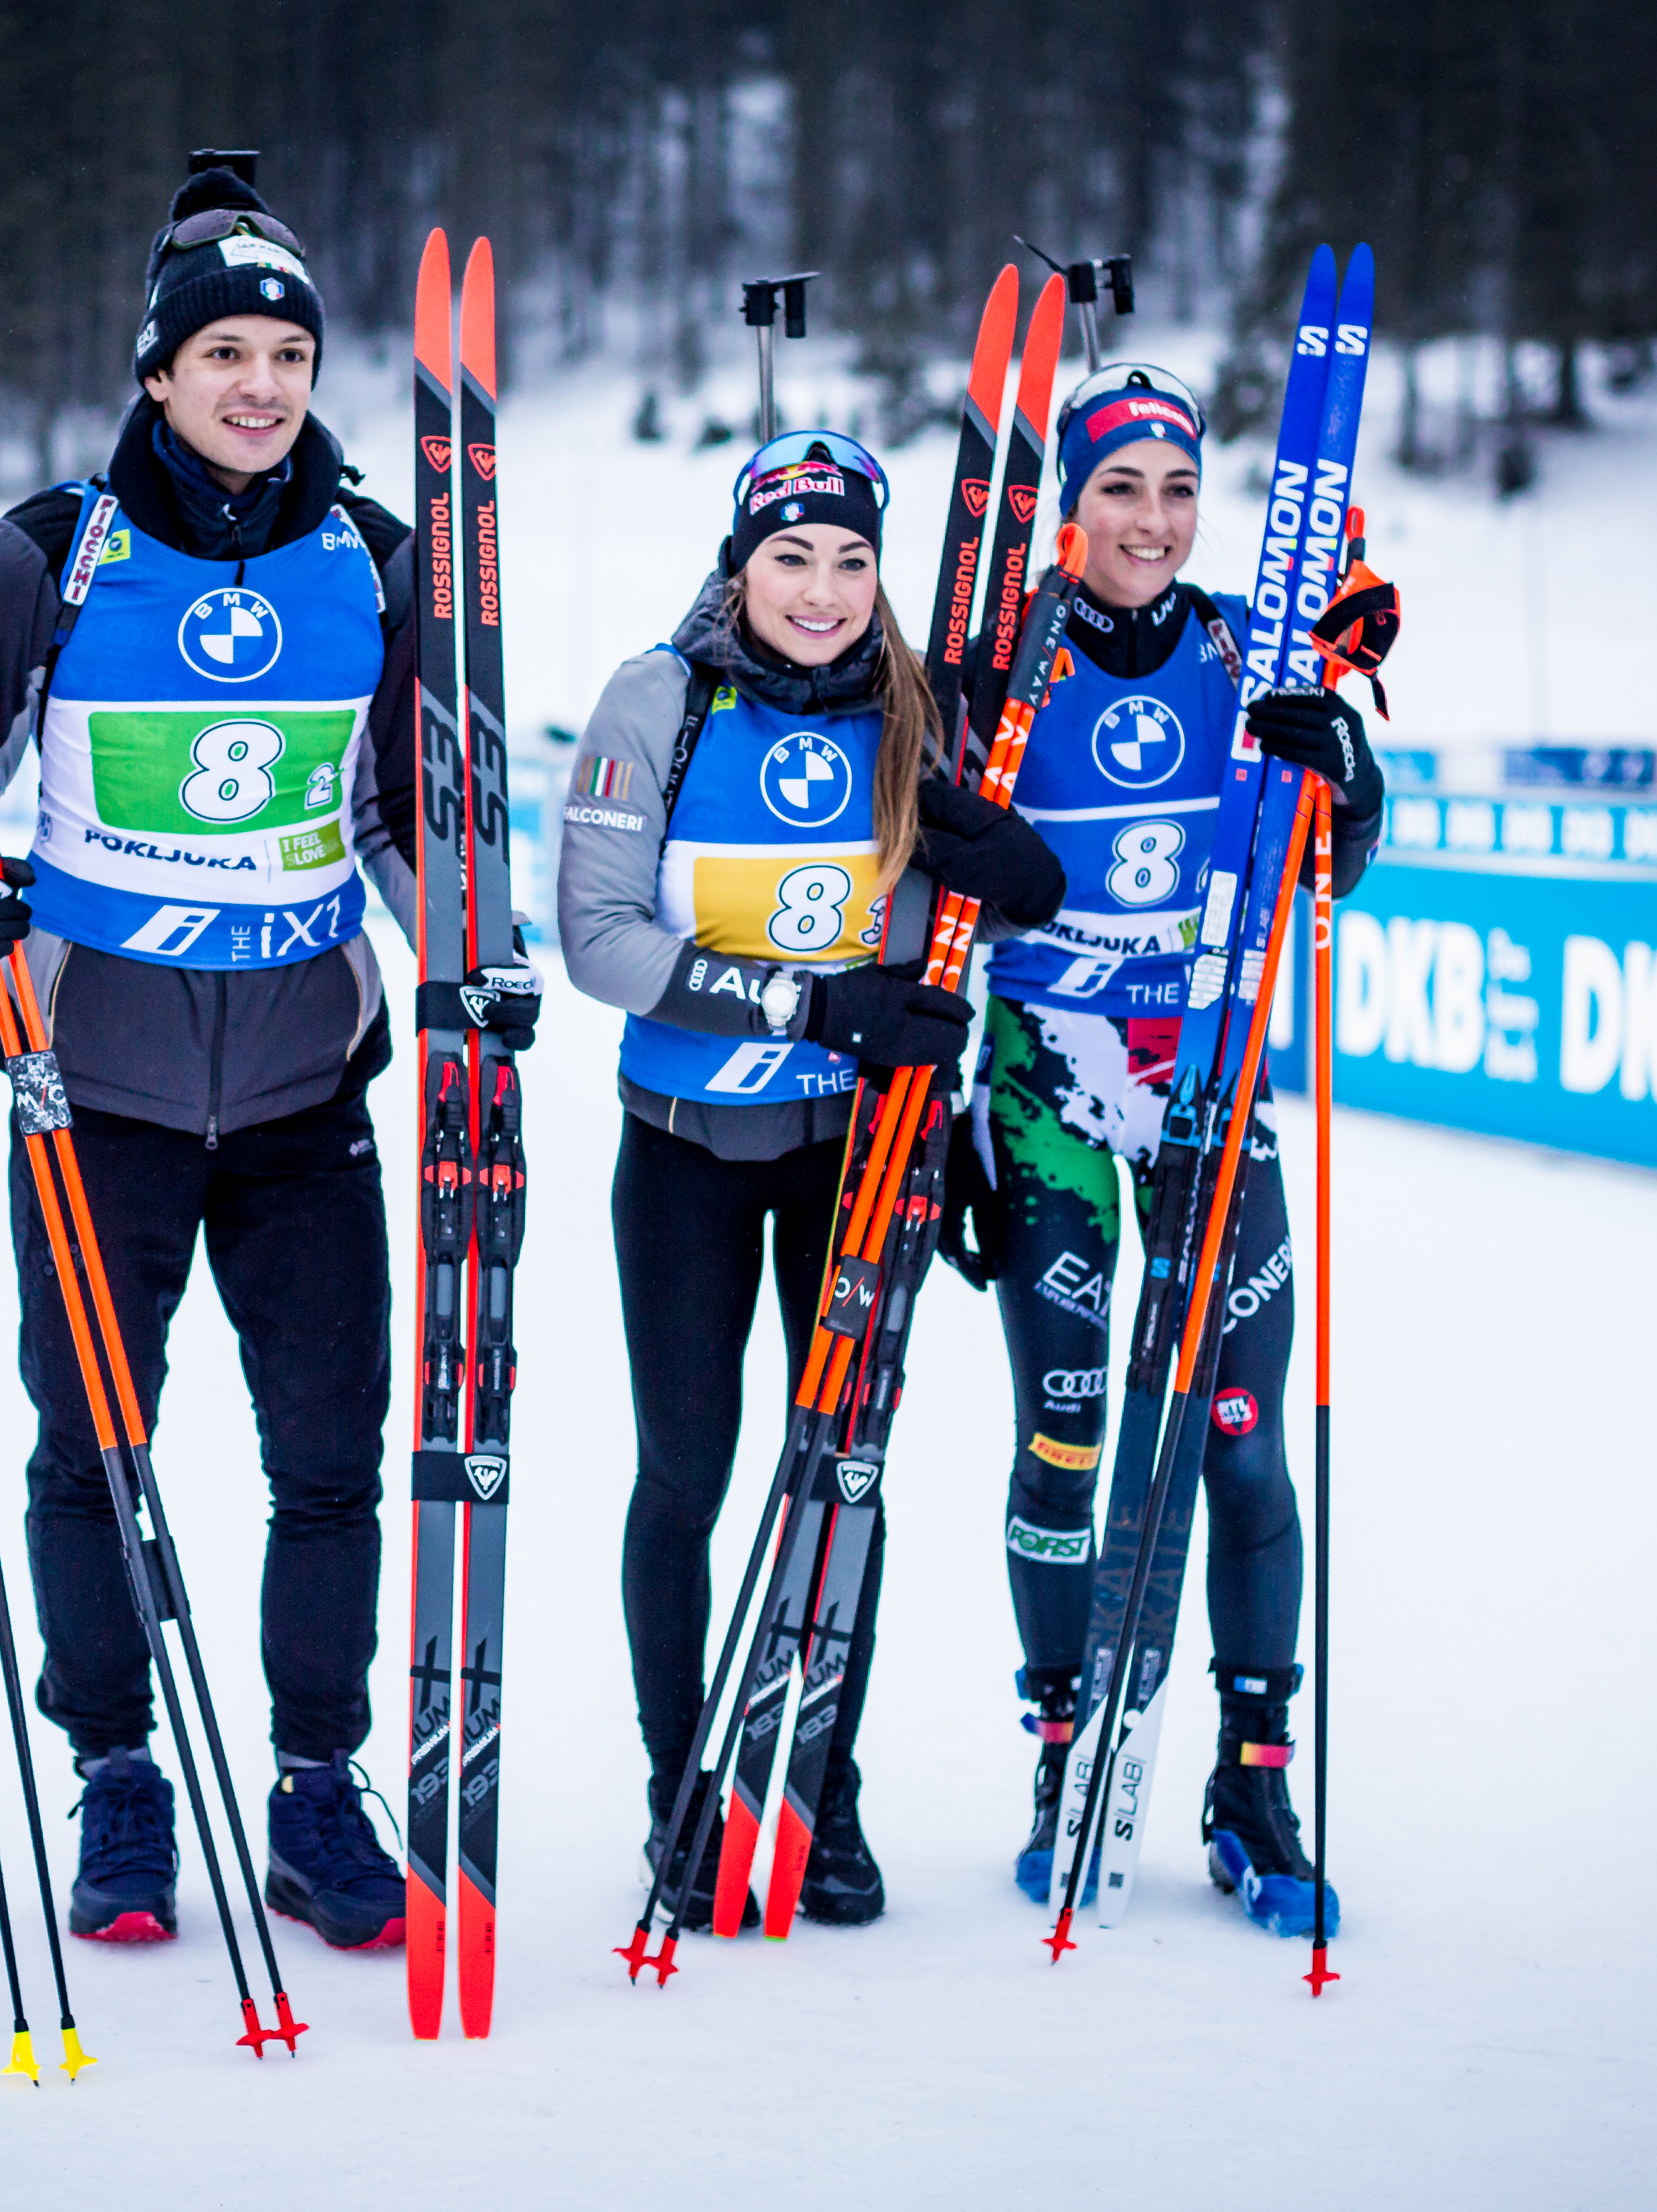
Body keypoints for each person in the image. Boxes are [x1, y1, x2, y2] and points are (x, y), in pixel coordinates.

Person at [0, 157, 486, 1957]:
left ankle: (314, 1787)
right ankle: (119, 1779)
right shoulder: (43, 552)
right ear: (156, 372)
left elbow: (397, 808)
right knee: (91, 1449)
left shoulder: (377, 560)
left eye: (283, 354)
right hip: (99, 1089)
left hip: (304, 1091)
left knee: (328, 1454)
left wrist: (464, 957)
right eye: (220, 351)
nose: (257, 385)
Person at [554, 431, 1067, 1928]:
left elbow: (1005, 896)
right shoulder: (660, 698)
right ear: (739, 560)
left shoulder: (919, 710)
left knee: (842, 1472)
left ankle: (815, 1783)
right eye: (791, 555)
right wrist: (808, 1001)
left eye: (853, 560)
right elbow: (599, 940)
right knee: (690, 1472)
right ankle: (682, 1783)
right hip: (687, 1147)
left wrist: (982, 850)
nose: (824, 589)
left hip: (860, 1153)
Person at [941, 362, 1385, 1937]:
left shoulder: (1236, 649)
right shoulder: (1005, 660)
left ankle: (1250, 1776)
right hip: (1044, 1089)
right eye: (1121, 487)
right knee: (1066, 1432)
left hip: (1206, 1089)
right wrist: (946, 1130)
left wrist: (1343, 766)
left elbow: (1334, 851)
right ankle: (1068, 1742)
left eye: (1178, 491)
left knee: (1242, 1434)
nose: (1151, 518)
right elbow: (926, 868)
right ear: (1067, 505)